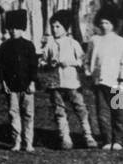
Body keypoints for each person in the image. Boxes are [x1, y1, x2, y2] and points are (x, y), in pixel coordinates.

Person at [39, 11, 96, 150]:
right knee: (59, 109)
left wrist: (69, 62)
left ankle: (88, 135)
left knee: (79, 107)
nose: (54, 29)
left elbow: (82, 61)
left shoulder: (73, 43)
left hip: (71, 81)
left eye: (58, 26)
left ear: (65, 28)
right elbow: (42, 61)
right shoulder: (49, 44)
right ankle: (65, 137)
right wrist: (48, 64)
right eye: (52, 26)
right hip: (55, 82)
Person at [86, 7, 123, 150]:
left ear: (113, 24)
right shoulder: (95, 40)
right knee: (102, 112)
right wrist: (89, 73)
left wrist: (122, 78)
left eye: (106, 23)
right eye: (101, 23)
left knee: (117, 111)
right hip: (100, 82)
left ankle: (118, 140)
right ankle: (106, 139)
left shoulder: (120, 41)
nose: (103, 26)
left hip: (116, 83)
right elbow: (88, 59)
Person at [0, 9, 38, 152]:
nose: (14, 31)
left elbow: (34, 66)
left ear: (23, 29)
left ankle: (28, 142)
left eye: (17, 28)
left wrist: (32, 82)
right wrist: (3, 82)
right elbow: (0, 67)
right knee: (13, 113)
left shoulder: (29, 45)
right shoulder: (4, 46)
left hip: (27, 86)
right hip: (11, 86)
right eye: (11, 28)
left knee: (28, 114)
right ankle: (16, 141)